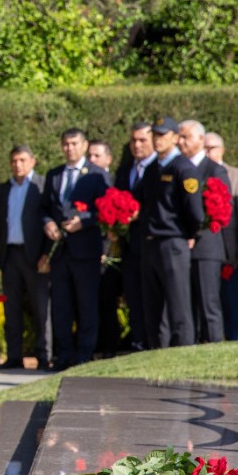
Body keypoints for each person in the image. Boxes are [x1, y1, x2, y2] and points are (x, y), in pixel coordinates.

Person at [42, 128, 111, 368]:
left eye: (74, 144)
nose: (69, 148)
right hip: (61, 252)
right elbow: (45, 208)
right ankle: (64, 354)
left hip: (86, 249)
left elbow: (106, 209)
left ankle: (84, 353)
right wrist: (48, 222)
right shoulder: (54, 175)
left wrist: (85, 221)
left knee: (86, 304)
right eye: (65, 144)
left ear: (84, 145)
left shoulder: (96, 174)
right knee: (61, 305)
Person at [138, 117, 203, 347]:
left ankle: (182, 350)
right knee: (153, 307)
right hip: (151, 242)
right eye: (155, 135)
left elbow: (195, 212)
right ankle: (157, 351)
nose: (157, 139)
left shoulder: (183, 168)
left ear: (175, 138)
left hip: (173, 242)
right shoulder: (152, 169)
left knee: (178, 305)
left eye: (162, 135)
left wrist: (191, 234)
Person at [0, 145, 49, 370]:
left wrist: (47, 254)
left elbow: (49, 219)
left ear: (33, 161)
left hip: (35, 256)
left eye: (22, 160)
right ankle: (14, 356)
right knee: (11, 308)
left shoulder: (41, 186)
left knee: (41, 308)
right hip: (10, 255)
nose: (17, 165)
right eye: (14, 161)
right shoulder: (3, 190)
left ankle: (44, 355)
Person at [179, 120, 227, 343]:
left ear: (200, 140)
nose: (181, 142)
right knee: (187, 306)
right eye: (179, 137)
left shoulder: (214, 169)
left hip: (206, 246)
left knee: (209, 304)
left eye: (186, 137)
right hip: (181, 247)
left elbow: (222, 209)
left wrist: (194, 232)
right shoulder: (177, 167)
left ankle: (214, 348)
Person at [113, 123, 158, 351]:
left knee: (152, 295)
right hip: (130, 245)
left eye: (142, 140)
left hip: (152, 243)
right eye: (133, 140)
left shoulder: (159, 169)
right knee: (133, 294)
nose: (137, 145)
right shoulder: (125, 170)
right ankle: (138, 339)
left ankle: (153, 340)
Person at [206, 131, 238, 340]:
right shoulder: (196, 172)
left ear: (222, 150)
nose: (208, 152)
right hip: (206, 250)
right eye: (204, 148)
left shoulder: (236, 175)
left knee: (233, 301)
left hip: (230, 252)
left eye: (212, 148)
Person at [87, 141, 125, 357]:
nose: (92, 160)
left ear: (108, 159)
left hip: (113, 254)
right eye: (90, 156)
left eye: (97, 156)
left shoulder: (113, 182)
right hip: (91, 253)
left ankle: (111, 346)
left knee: (109, 300)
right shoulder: (85, 181)